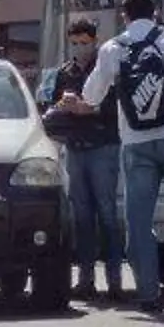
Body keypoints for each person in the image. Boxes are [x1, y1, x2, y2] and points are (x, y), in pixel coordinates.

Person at [60, 0, 164, 315]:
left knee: (139, 218)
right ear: (155, 12)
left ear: (124, 17)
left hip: (135, 143)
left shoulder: (113, 48)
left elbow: (91, 96)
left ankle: (147, 292)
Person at [47, 18, 125, 301]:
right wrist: (62, 106)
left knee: (107, 214)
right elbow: (53, 108)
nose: (79, 49)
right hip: (76, 149)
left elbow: (116, 109)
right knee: (81, 217)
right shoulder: (64, 73)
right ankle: (85, 279)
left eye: (84, 43)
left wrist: (87, 109)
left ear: (95, 41)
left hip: (103, 147)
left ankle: (115, 281)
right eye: (75, 43)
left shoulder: (106, 69)